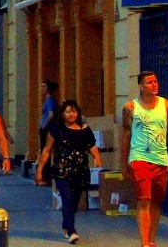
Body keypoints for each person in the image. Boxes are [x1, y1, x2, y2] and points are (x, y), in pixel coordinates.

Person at [122, 71, 168, 247]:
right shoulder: (130, 107)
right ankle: (145, 242)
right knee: (144, 199)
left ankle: (152, 239)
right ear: (141, 86)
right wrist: (124, 164)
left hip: (161, 159)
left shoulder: (166, 105)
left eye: (155, 81)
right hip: (139, 158)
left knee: (156, 202)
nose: (154, 84)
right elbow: (125, 136)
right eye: (149, 82)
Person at [36, 99, 103, 244]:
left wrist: (97, 156)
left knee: (74, 201)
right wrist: (39, 170)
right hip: (62, 171)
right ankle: (72, 231)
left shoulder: (85, 129)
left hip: (80, 171)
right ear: (62, 114)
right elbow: (47, 150)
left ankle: (66, 224)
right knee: (67, 198)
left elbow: (92, 146)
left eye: (74, 111)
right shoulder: (56, 129)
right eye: (68, 112)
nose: (71, 114)